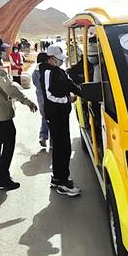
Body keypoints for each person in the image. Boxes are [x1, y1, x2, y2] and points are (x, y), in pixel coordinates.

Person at [0, 37, 38, 191]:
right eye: (2, 50)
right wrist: (25, 100)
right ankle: (4, 177)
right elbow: (9, 88)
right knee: (9, 142)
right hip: (0, 112)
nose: (4, 52)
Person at [40, 44, 82, 196]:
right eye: (58, 59)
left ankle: (58, 178)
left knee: (63, 147)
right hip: (55, 115)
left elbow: (70, 84)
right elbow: (49, 95)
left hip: (62, 114)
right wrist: (67, 100)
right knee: (61, 148)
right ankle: (62, 182)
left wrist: (83, 92)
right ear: (51, 58)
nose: (61, 61)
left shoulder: (59, 71)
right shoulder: (47, 72)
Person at [30, 52, 50, 148]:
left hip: (40, 97)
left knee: (45, 116)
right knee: (53, 119)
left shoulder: (35, 71)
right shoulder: (47, 70)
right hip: (49, 97)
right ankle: (53, 142)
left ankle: (43, 136)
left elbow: (34, 83)